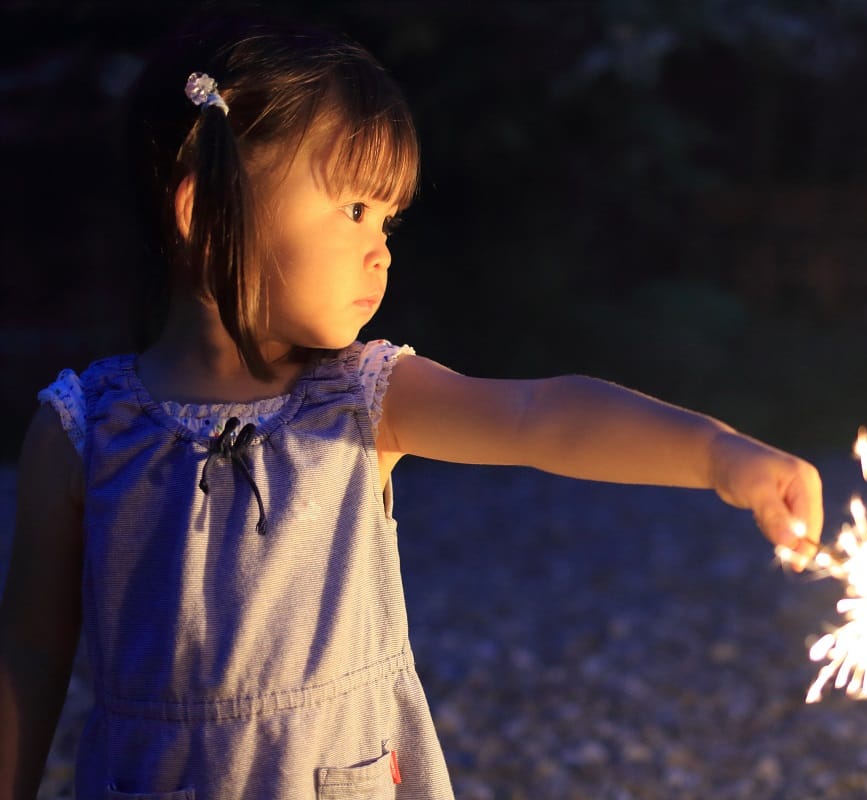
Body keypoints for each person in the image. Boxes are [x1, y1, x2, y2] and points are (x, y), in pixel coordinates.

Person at [0, 17, 823, 800]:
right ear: (207, 213)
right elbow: (30, 654)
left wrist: (718, 455)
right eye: (354, 208)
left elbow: (542, 416)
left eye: (388, 217)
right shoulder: (83, 431)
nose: (381, 246)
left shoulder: (363, 399)